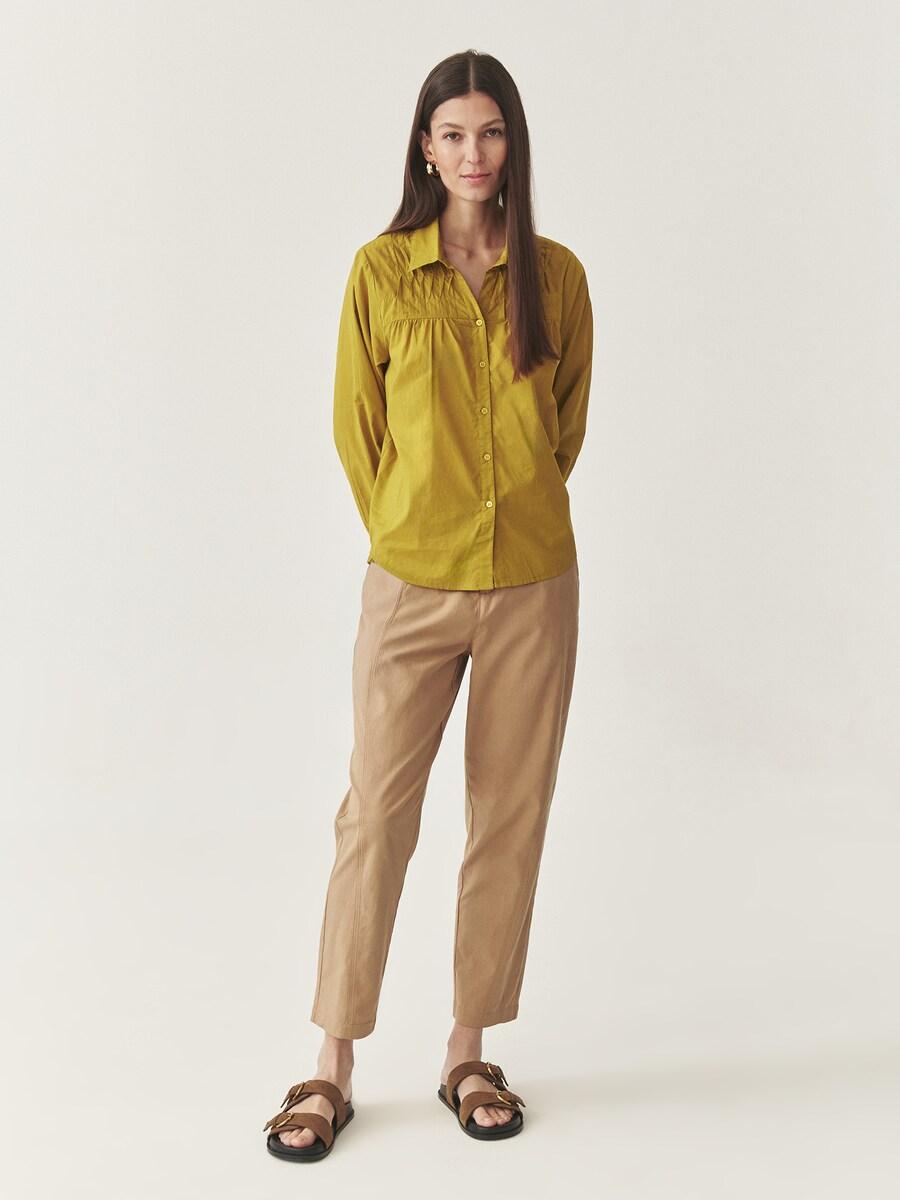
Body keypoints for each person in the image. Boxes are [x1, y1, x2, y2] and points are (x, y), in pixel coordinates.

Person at [263, 48, 593, 1162]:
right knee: (376, 817)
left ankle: (468, 1050)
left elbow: (564, 428)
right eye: (453, 133)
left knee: (509, 817)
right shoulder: (381, 272)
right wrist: (414, 528)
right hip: (411, 582)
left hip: (533, 583)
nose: (472, 152)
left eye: (490, 132)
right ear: (425, 148)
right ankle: (331, 1063)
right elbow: (357, 430)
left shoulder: (557, 275)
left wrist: (511, 516)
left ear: (513, 146)